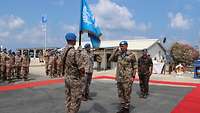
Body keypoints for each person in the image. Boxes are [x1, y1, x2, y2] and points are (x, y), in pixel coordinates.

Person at [109, 41, 137, 113]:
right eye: (120, 46)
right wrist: (114, 51)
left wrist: (133, 76)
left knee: (127, 93)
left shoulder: (131, 55)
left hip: (127, 77)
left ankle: (126, 108)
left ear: (127, 46)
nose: (121, 47)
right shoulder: (118, 54)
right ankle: (122, 107)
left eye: (123, 46)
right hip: (119, 77)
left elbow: (135, 66)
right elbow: (110, 59)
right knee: (120, 93)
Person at [61, 33, 86, 113]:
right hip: (75, 79)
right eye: (75, 39)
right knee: (76, 99)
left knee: (68, 97)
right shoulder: (74, 52)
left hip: (67, 78)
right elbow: (81, 67)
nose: (76, 41)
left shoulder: (63, 50)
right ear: (72, 40)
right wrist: (83, 75)